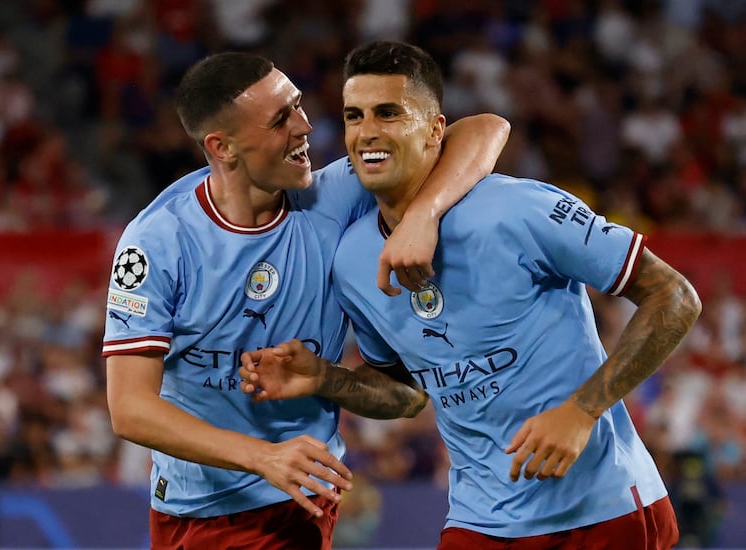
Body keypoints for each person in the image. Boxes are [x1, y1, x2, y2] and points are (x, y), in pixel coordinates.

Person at [239, 41, 702, 549]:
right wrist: (324, 378)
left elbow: (674, 297)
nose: (367, 131)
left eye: (389, 113)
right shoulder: (352, 262)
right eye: (355, 116)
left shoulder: (516, 209)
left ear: (436, 129)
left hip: (602, 510)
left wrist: (582, 410)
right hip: (479, 522)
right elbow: (407, 395)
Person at [102, 49, 510, 550]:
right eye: (280, 120)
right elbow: (129, 409)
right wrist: (263, 456)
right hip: (200, 511)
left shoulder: (331, 195)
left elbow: (486, 129)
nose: (306, 126)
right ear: (222, 146)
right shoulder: (158, 240)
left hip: (301, 501)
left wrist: (425, 215)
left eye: (297, 105)